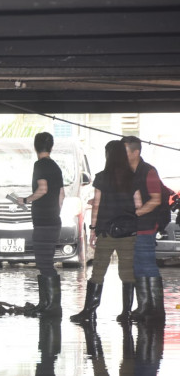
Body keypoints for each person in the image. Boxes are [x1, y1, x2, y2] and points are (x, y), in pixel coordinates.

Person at [71, 140, 136, 323]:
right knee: (127, 273)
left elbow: (97, 204)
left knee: (98, 272)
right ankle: (126, 313)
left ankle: (89, 312)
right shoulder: (133, 177)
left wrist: (93, 229)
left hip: (106, 232)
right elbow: (138, 204)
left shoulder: (102, 177)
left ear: (108, 155)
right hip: (129, 233)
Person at [19, 132, 64, 317]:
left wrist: (26, 200)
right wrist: (55, 212)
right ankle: (45, 304)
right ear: (51, 146)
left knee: (44, 263)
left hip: (43, 221)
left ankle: (52, 307)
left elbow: (42, 189)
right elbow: (61, 195)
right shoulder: (56, 167)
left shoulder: (40, 165)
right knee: (46, 261)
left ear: (35, 146)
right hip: (53, 220)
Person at [121, 136, 165, 321]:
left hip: (147, 225)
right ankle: (145, 306)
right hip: (134, 226)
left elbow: (156, 199)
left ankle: (155, 308)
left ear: (135, 152)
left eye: (124, 151)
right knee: (138, 265)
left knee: (147, 264)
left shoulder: (148, 171)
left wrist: (137, 213)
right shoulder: (127, 172)